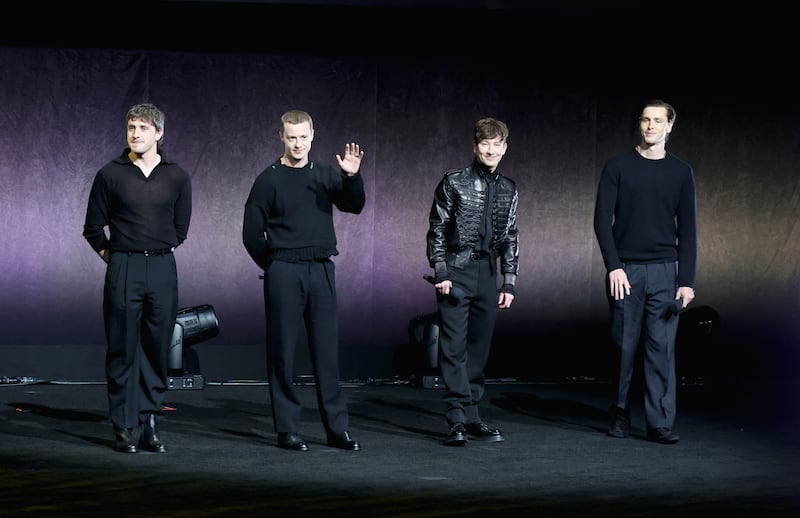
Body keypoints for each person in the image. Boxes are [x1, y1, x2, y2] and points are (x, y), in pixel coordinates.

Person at [242, 109, 365, 452]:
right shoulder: (268, 179)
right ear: (281, 137)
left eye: (303, 137)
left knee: (326, 354)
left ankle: (336, 429)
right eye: (291, 137)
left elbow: (354, 205)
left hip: (321, 269)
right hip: (284, 269)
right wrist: (275, 265)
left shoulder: (325, 173)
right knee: (282, 352)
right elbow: (251, 234)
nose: (298, 143)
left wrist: (351, 177)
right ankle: (287, 429)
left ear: (313, 136)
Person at [83, 103, 192, 453]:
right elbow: (93, 229)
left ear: (159, 133)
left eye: (143, 128)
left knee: (157, 348)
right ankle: (122, 425)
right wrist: (116, 259)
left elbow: (180, 229)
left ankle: (149, 421)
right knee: (122, 347)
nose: (135, 134)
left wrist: (155, 250)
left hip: (161, 268)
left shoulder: (177, 176)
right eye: (131, 127)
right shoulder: (110, 174)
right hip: (124, 267)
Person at [593, 98, 697, 445]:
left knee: (661, 348)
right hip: (627, 272)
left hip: (666, 272)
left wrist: (686, 282)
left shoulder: (681, 172)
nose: (651, 126)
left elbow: (689, 231)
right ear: (640, 125)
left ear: (670, 126)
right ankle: (619, 413)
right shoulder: (618, 167)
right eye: (645, 120)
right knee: (623, 347)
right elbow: (601, 221)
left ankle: (659, 423)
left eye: (658, 120)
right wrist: (614, 267)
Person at [426, 117, 520, 446]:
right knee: (453, 347)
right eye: (485, 144)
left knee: (479, 348)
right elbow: (437, 229)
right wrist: (441, 273)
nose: (490, 150)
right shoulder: (454, 181)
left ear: (504, 148)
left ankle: (472, 415)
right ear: (475, 146)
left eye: (496, 144)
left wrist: (509, 281)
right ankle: (456, 419)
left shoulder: (509, 188)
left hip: (488, 273)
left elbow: (510, 235)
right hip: (457, 269)